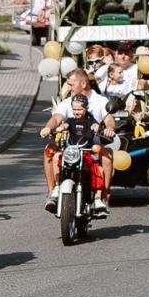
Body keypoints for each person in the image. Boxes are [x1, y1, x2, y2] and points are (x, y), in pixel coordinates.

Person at [40, 67, 115, 215]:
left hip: (93, 149)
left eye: (71, 84)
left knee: (107, 154)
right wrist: (49, 128)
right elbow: (57, 117)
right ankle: (53, 194)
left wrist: (109, 128)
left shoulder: (100, 101)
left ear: (83, 84)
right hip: (72, 149)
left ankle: (102, 198)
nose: (68, 87)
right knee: (49, 151)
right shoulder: (69, 102)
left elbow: (109, 119)